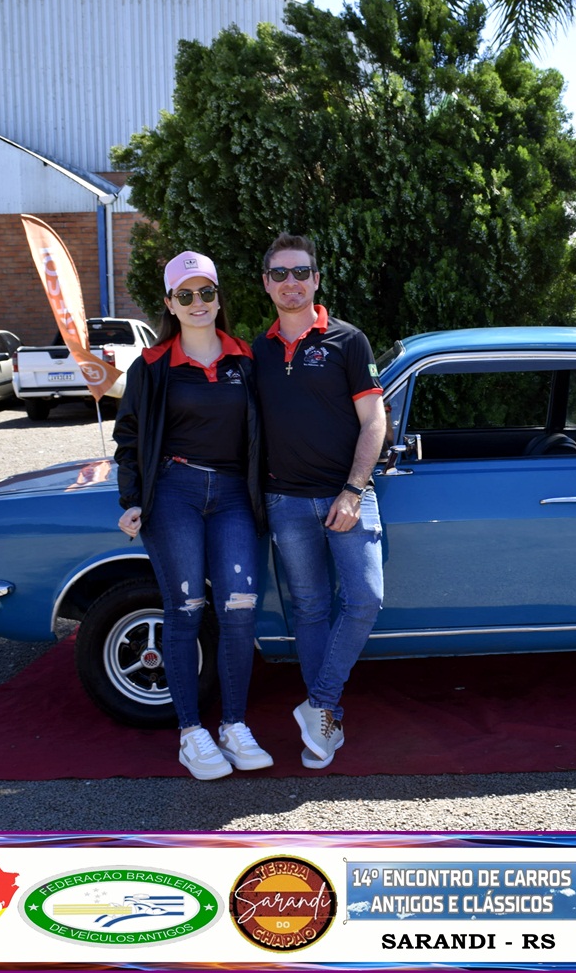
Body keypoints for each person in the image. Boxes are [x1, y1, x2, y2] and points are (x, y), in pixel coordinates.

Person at [112, 250, 272, 780]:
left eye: (206, 292)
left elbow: (277, 427)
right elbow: (129, 438)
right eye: (186, 294)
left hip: (234, 496)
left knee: (239, 610)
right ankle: (190, 733)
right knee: (184, 610)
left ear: (218, 298)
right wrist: (132, 499)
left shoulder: (246, 360)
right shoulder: (152, 366)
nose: (197, 302)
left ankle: (233, 725)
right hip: (174, 493)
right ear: (170, 303)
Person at [252, 233, 386, 770]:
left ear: (317, 279)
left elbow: (374, 421)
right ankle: (326, 722)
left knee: (365, 598)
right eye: (280, 273)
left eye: (301, 272)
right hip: (285, 502)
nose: (292, 282)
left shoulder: (348, 341)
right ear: (266, 283)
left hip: (347, 498)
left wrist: (353, 491)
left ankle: (319, 703)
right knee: (309, 609)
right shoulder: (256, 352)